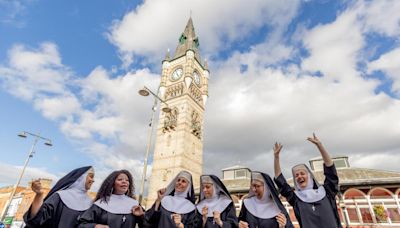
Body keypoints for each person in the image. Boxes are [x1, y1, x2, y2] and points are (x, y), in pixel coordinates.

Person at [273, 134, 341, 228]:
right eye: (296, 175)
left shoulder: (327, 192)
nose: (299, 176)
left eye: (302, 173)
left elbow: (331, 171)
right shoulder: (296, 198)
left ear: (310, 176)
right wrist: (276, 157)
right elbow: (280, 182)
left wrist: (320, 146)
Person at [24, 166, 95, 228]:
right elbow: (37, 219)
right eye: (91, 176)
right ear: (81, 177)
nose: (93, 180)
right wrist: (39, 195)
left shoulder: (91, 203)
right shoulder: (59, 196)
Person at [78, 169, 144, 228]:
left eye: (127, 180)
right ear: (112, 184)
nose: (124, 181)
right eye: (120, 179)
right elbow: (82, 225)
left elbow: (148, 225)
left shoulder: (135, 205)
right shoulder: (101, 204)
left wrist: (141, 216)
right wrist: (95, 226)